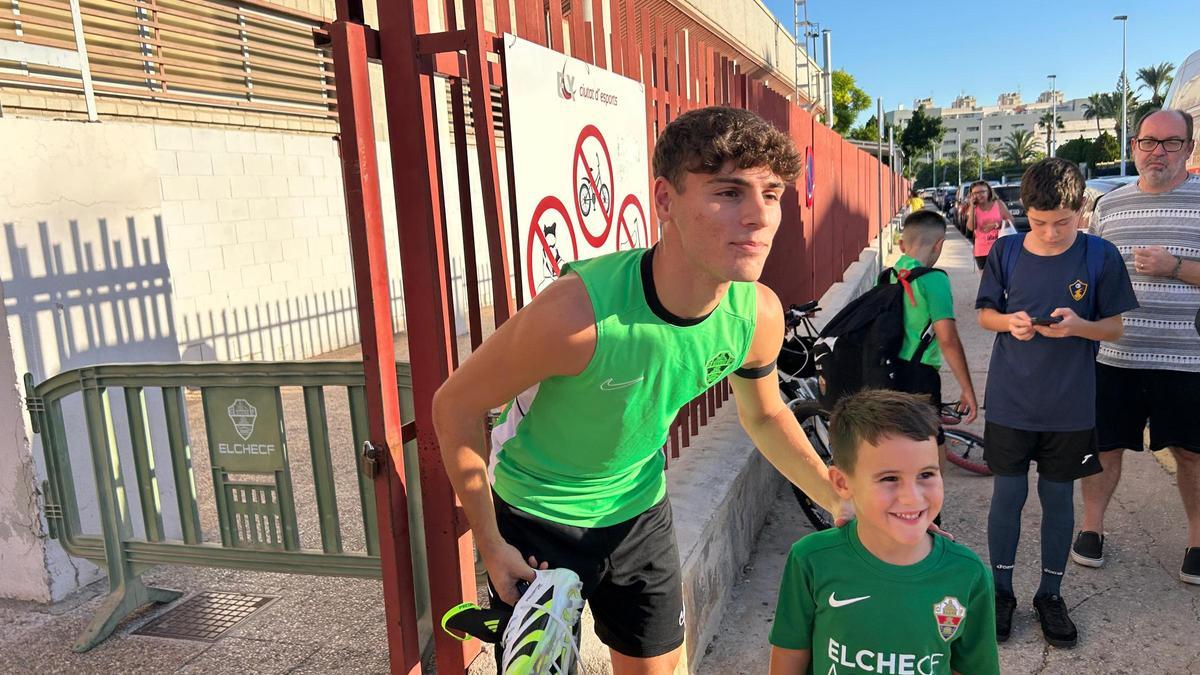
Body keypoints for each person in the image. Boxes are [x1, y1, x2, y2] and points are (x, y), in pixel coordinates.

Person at [432, 106, 842, 674]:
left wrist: (839, 498)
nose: (759, 217)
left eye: (772, 194)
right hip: (535, 519)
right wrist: (489, 541)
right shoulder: (577, 315)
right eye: (728, 192)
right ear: (665, 200)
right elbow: (454, 403)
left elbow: (766, 415)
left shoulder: (758, 316)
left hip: (639, 513)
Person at [975, 158, 1137, 648]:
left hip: (1069, 406)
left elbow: (1114, 326)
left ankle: (1050, 593)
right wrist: (1011, 323)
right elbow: (985, 314)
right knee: (1007, 496)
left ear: (1081, 209)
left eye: (1061, 222)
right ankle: (1000, 591)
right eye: (1038, 222)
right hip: (1010, 401)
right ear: (1024, 211)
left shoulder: (1100, 256)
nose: (1049, 232)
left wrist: (1079, 327)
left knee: (1057, 497)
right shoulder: (1005, 251)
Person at [768, 389, 999, 675]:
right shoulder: (811, 560)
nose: (912, 498)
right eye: (889, 478)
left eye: (926, 474)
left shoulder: (967, 573)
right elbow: (790, 652)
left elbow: (972, 667)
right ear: (842, 483)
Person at [1076, 108, 1200, 586]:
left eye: (1171, 143)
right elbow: (1088, 274)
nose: (1159, 152)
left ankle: (1196, 541)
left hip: (1188, 358)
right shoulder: (1111, 206)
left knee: (1191, 452)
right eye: (1149, 142)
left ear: (1189, 148)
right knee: (1106, 447)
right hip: (1115, 356)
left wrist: (1175, 268)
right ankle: (1092, 529)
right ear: (1134, 147)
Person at [890, 209, 978, 424]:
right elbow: (947, 339)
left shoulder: (886, 276)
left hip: (888, 370)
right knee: (930, 443)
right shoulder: (934, 279)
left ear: (902, 245)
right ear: (939, 245)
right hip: (920, 374)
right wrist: (967, 389)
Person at [964, 180, 1013, 270]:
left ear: (989, 192)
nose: (979, 195)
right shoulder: (973, 209)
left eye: (982, 191)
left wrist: (996, 225)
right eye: (975, 193)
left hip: (1000, 248)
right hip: (982, 251)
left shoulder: (998, 204)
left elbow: (1010, 221)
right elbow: (970, 227)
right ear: (971, 195)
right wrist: (972, 207)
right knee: (986, 281)